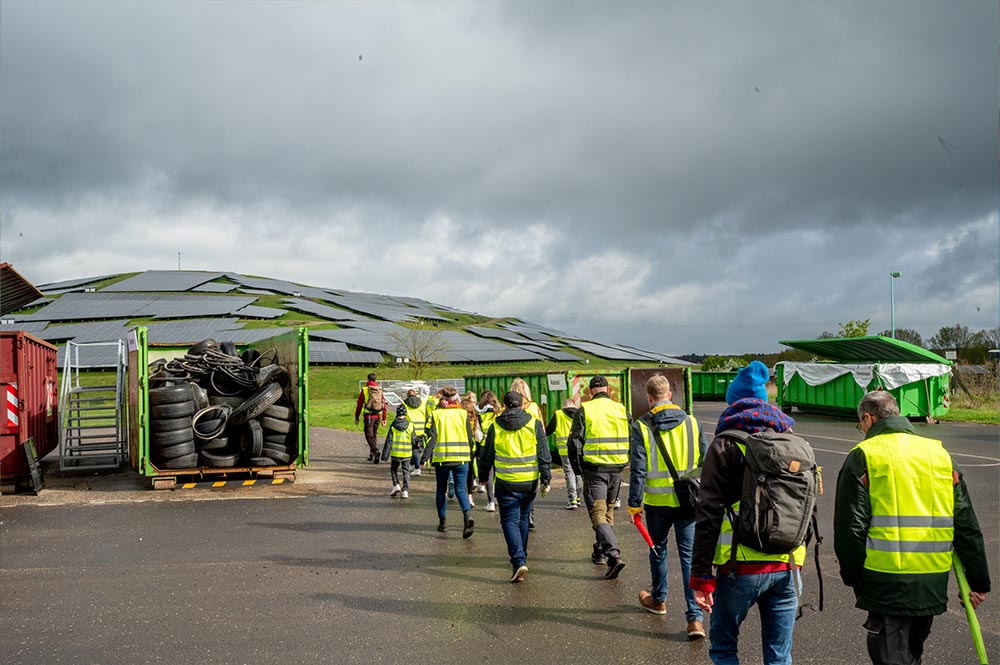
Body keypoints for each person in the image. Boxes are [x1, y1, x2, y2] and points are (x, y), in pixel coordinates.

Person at [834, 390, 991, 665]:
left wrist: (853, 576)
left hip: (885, 580)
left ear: (869, 418)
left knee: (892, 656)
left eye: (860, 424)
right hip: (931, 580)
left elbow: (851, 529)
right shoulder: (939, 454)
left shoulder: (864, 455)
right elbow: (966, 523)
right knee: (911, 654)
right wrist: (978, 582)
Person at [689, 360, 802, 665]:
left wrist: (701, 577)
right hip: (787, 564)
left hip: (739, 565)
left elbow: (709, 513)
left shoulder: (725, 443)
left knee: (725, 648)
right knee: (779, 656)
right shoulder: (790, 439)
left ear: (733, 401)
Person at [627, 374, 709, 639]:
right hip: (690, 502)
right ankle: (695, 619)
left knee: (658, 550)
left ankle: (659, 600)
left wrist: (633, 504)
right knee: (688, 557)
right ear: (670, 395)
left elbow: (638, 469)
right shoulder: (693, 423)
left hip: (657, 503)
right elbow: (706, 463)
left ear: (650, 398)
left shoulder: (642, 426)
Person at [478, 391, 552, 582]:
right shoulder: (534, 425)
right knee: (523, 519)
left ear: (503, 406)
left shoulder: (496, 426)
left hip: (505, 483)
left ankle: (518, 560)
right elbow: (544, 453)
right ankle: (522, 557)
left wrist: (483, 477)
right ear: (521, 404)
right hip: (528, 482)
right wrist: (546, 478)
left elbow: (486, 455)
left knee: (510, 521)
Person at [567, 374, 630, 580]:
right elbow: (633, 436)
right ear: (607, 390)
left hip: (595, 471)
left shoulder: (585, 409)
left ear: (590, 392)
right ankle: (600, 552)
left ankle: (613, 553)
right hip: (617, 469)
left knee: (597, 514)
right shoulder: (621, 409)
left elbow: (574, 443)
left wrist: (578, 470)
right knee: (608, 511)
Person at [422, 386, 476, 538]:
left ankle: (443, 522)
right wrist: (471, 454)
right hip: (461, 458)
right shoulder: (462, 413)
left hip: (442, 459)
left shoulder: (436, 414)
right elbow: (469, 436)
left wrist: (424, 457)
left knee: (441, 489)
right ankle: (467, 516)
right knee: (461, 490)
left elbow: (432, 437)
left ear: (442, 399)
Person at [545, 398, 582, 509]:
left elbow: (548, 430)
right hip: (578, 449)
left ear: (564, 406)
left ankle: (572, 500)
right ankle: (578, 497)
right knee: (578, 472)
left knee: (569, 473)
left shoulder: (559, 414)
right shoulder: (580, 414)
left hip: (565, 450)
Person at [383, 404, 414, 499]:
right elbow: (414, 440)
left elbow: (389, 440)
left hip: (396, 453)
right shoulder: (410, 425)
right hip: (407, 452)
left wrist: (385, 455)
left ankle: (396, 484)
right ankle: (405, 490)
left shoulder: (393, 426)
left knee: (393, 469)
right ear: (405, 414)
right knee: (406, 471)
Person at [354, 372, 386, 463]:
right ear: (375, 380)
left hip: (369, 416)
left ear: (367, 380)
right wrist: (384, 418)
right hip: (378, 415)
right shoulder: (379, 389)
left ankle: (375, 451)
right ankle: (372, 455)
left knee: (368, 435)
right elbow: (384, 403)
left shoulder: (365, 390)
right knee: (374, 434)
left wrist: (357, 416)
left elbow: (359, 404)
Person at [478, 391, 502, 512]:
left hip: (484, 446)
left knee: (488, 475)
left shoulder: (480, 416)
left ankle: (490, 501)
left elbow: (477, 434)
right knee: (498, 474)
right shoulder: (499, 414)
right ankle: (498, 496)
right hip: (498, 445)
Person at [402, 389, 429, 476]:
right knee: (417, 449)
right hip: (421, 429)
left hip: (411, 429)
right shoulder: (422, 403)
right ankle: (411, 464)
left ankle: (417, 468)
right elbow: (427, 415)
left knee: (414, 450)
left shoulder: (404, 404)